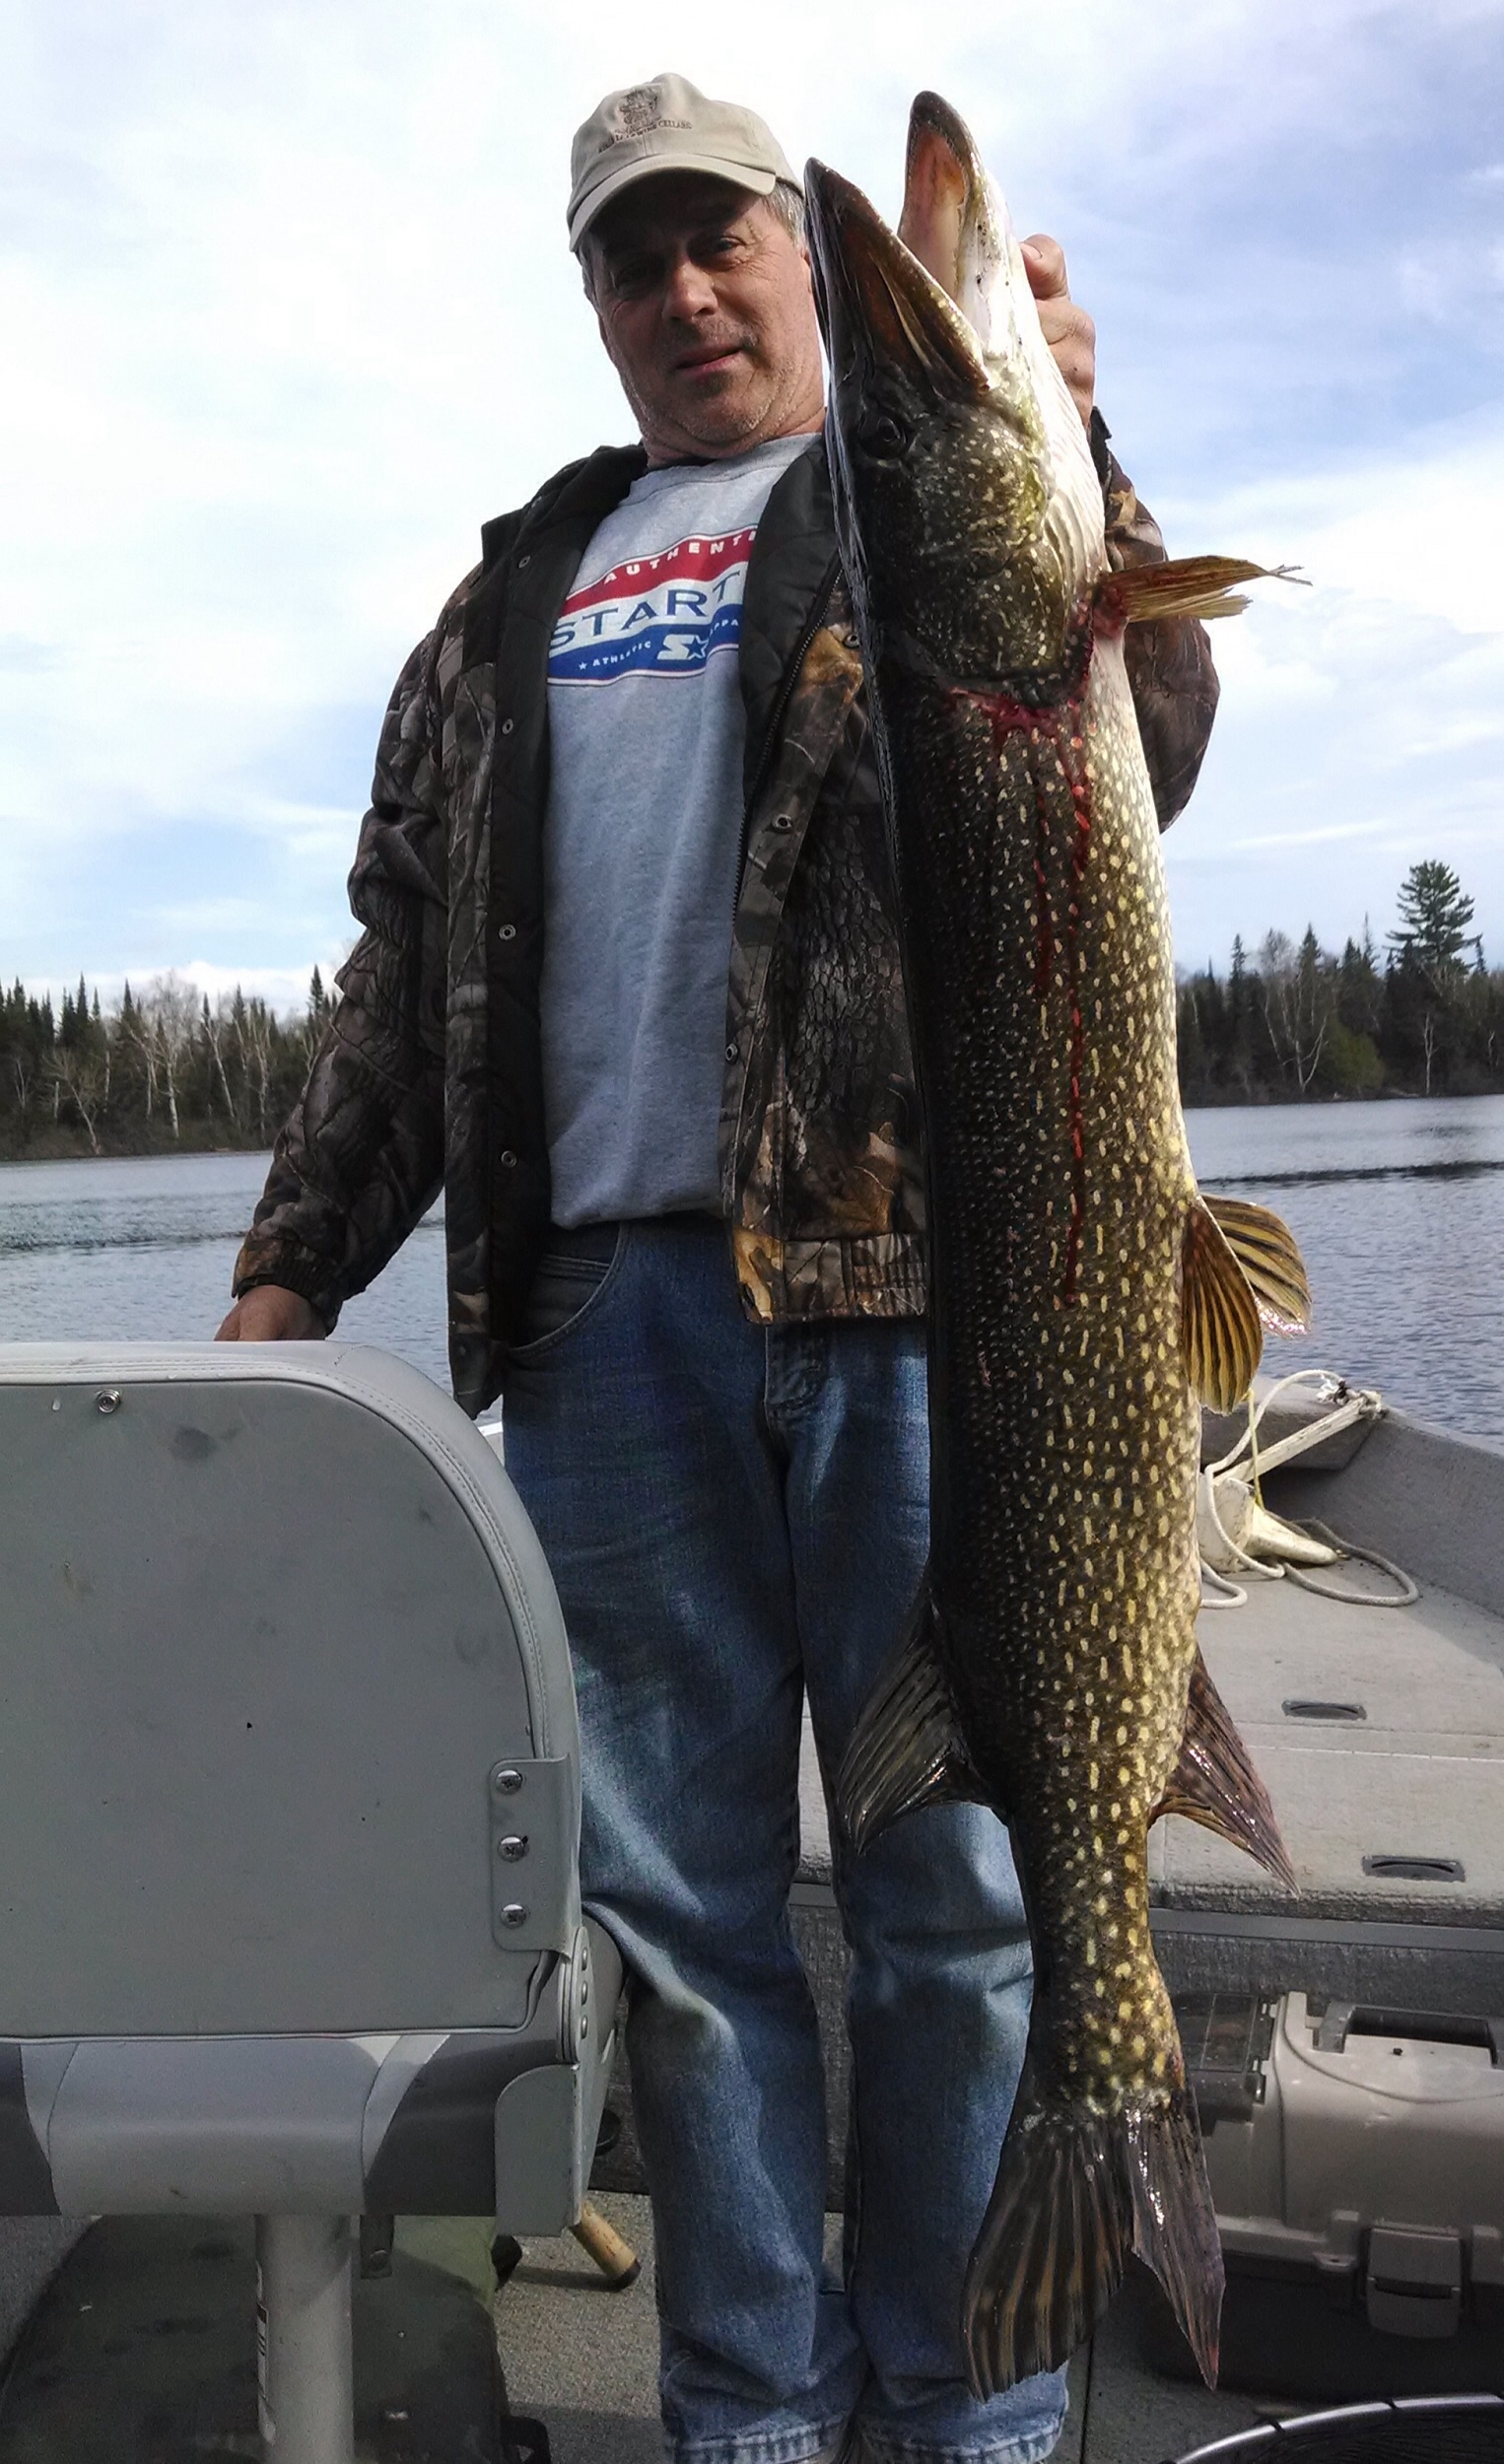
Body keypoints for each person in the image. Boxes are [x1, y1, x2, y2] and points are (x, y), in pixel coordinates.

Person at [219, 73, 1220, 2464]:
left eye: (722, 242)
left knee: (965, 1900)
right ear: (596, 304)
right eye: (631, 262)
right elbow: (402, 977)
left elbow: (1141, 737)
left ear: (791, 249)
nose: (685, 294)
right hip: (601, 1329)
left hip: (911, 1303)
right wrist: (284, 1274)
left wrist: (1084, 431)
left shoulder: (925, 505)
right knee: (677, 1931)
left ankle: (972, 2400)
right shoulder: (508, 597)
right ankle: (753, 2409)